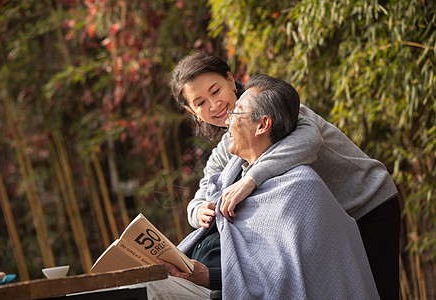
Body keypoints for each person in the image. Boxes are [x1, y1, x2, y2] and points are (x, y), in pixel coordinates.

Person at [170, 52, 400, 299]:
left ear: (229, 79)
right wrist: (197, 212)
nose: (214, 105)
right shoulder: (228, 149)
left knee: (374, 291)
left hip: (368, 203)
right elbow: (205, 189)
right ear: (192, 111)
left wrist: (250, 179)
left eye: (215, 91)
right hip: (330, 223)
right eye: (200, 102)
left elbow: (308, 140)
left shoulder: (271, 106)